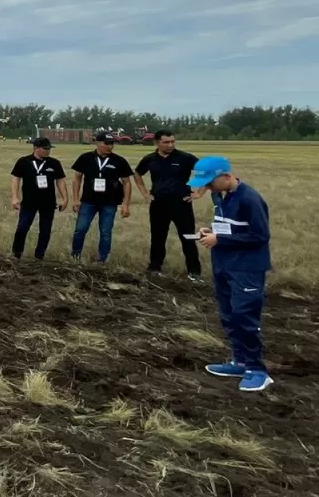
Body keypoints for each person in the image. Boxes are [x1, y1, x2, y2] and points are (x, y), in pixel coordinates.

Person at [188, 155, 273, 392]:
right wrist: (210, 231)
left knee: (245, 317)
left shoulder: (250, 198)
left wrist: (220, 238)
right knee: (229, 315)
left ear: (226, 175)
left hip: (246, 268)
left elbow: (260, 236)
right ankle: (240, 361)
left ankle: (257, 370)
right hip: (223, 264)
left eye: (210, 181)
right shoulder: (219, 195)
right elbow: (231, 226)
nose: (206, 187)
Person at [133, 129, 203, 281]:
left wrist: (199, 193)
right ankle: (154, 269)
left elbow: (205, 171)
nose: (170, 145)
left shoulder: (185, 157)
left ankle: (194, 273)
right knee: (158, 238)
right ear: (157, 143)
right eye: (166, 142)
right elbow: (137, 173)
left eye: (172, 141)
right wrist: (145, 193)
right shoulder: (150, 159)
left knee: (188, 238)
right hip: (158, 204)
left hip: (182, 204)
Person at [69, 132, 133, 262]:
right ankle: (75, 255)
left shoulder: (119, 161)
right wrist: (75, 199)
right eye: (106, 143)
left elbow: (127, 182)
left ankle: (102, 259)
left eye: (112, 144)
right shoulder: (85, 158)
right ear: (97, 143)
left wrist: (126, 204)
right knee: (80, 230)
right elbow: (77, 179)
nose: (110, 147)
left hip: (109, 203)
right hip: (88, 201)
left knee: (105, 233)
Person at [9, 137, 67, 260]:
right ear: (35, 148)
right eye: (45, 148)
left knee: (45, 230)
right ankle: (16, 253)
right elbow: (16, 179)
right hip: (29, 202)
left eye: (49, 149)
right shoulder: (24, 161)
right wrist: (14, 197)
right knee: (22, 228)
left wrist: (64, 198)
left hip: (48, 203)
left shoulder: (54, 163)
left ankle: (39, 256)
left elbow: (60, 181)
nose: (48, 151)